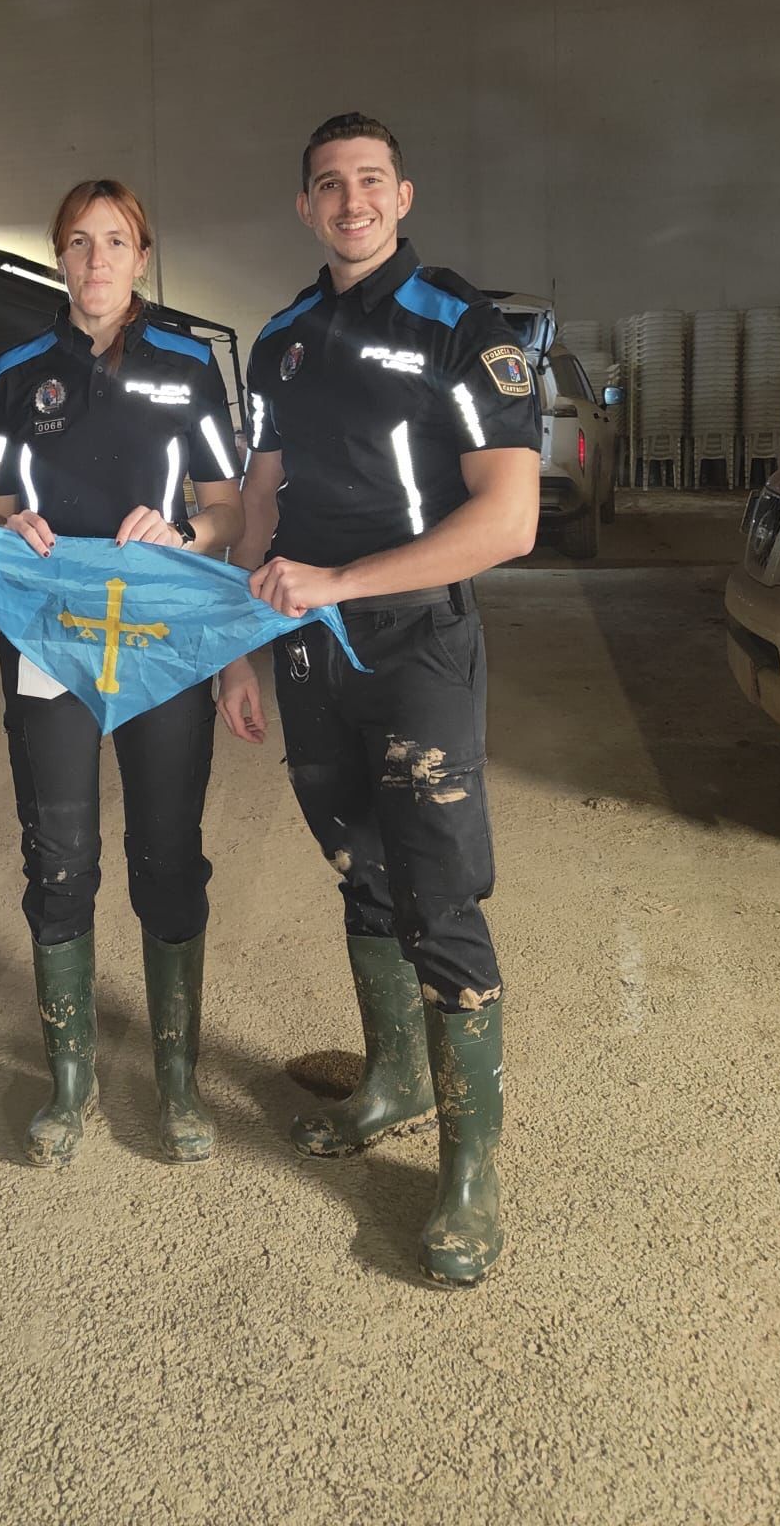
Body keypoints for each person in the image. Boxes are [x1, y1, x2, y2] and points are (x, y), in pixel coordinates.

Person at [217, 113, 539, 1285]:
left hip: (413, 645)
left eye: (369, 181)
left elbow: (508, 519)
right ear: (305, 206)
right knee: (359, 864)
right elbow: (261, 503)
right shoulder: (284, 338)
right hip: (304, 647)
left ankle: (469, 1169)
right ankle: (393, 1075)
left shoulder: (464, 329)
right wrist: (236, 646)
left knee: (439, 894)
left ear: (403, 194)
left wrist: (343, 580)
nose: (349, 200)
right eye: (327, 185)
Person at [0, 180, 243, 1166]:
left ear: (143, 255)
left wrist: (185, 532)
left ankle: (175, 1078)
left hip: (160, 636)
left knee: (169, 852)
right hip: (51, 637)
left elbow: (229, 511)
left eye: (116, 241)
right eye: (79, 242)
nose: (96, 260)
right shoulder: (14, 370)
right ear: (59, 256)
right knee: (60, 853)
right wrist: (13, 521)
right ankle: (71, 1078)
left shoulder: (185, 367)